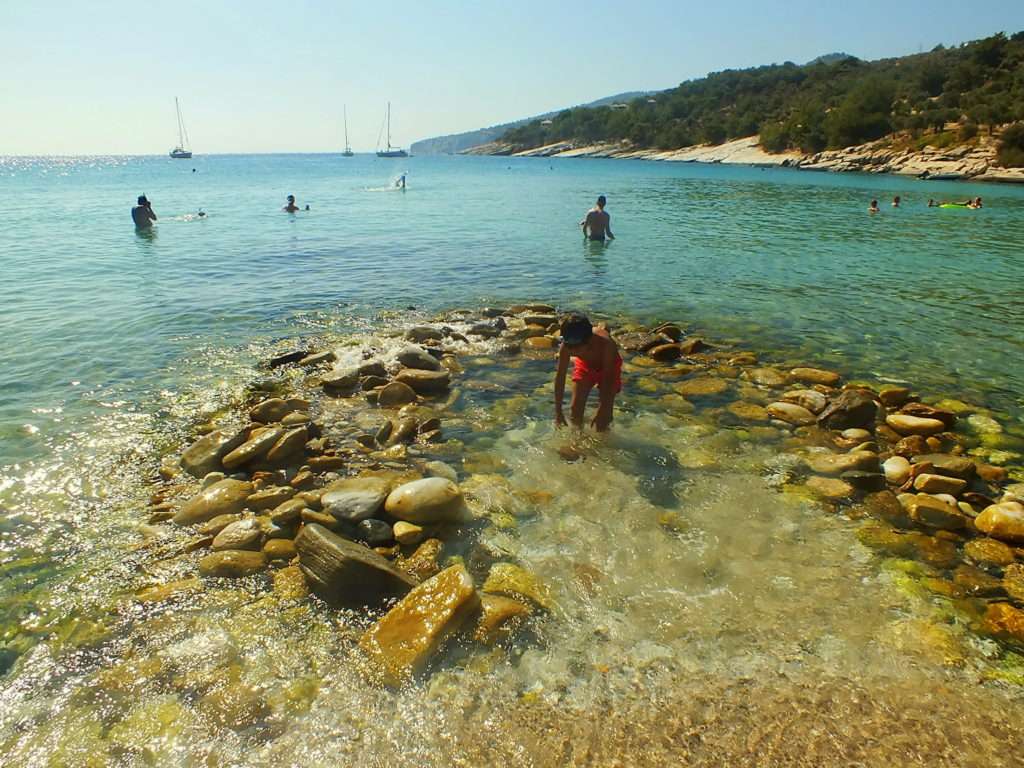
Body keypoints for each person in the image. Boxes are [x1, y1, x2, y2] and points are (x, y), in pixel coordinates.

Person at [554, 313, 622, 432]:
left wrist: (602, 407)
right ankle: (577, 439)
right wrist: (558, 411)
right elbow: (560, 378)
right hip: (585, 365)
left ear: (589, 340)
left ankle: (603, 444)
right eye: (569, 346)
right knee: (575, 410)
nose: (573, 351)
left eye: (577, 347)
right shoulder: (566, 347)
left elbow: (608, 379)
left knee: (603, 418)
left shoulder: (606, 345)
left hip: (609, 369)